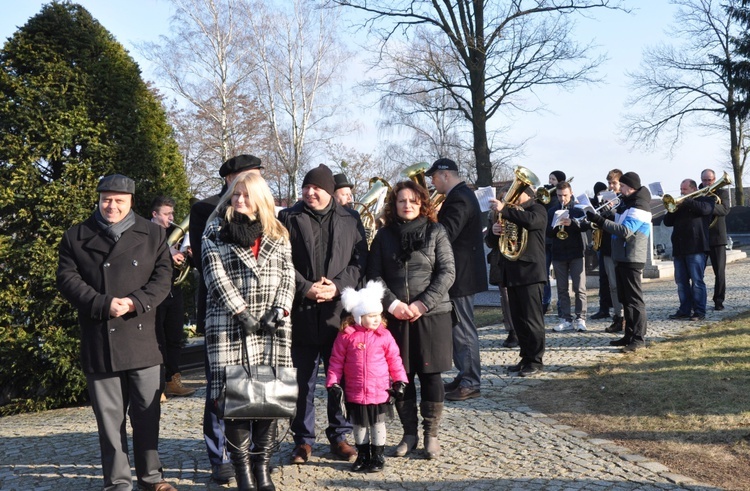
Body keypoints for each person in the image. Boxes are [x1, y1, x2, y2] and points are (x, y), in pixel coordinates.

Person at [57, 174, 177, 491]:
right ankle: (118, 482)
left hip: (142, 339)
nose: (111, 205)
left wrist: (135, 303)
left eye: (118, 201)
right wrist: (103, 303)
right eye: (106, 199)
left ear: (130, 202)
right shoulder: (76, 236)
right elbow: (68, 281)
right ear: (98, 199)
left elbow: (163, 279)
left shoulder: (153, 234)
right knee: (110, 421)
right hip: (100, 338)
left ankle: (152, 478)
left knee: (147, 415)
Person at [201, 171, 295, 491]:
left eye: (246, 194)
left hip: (272, 328)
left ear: (260, 197)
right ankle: (242, 471)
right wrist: (241, 312)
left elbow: (288, 275)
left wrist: (279, 309)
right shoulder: (215, 229)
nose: (239, 200)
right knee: (236, 402)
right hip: (230, 326)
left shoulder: (278, 231)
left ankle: (262, 468)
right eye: (235, 194)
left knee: (268, 400)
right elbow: (214, 275)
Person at [278, 163, 368, 464]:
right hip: (301, 312)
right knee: (301, 382)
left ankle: (339, 435)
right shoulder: (287, 217)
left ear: (329, 191)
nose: (309, 192)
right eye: (306, 187)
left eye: (316, 187)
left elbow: (359, 262)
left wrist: (338, 287)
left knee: (338, 378)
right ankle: (303, 440)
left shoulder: (350, 219)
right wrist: (306, 287)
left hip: (337, 314)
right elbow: (279, 262)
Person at [367, 180, 455, 459]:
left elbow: (447, 272)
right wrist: (392, 304)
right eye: (402, 201)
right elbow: (374, 274)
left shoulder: (436, 231)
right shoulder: (383, 236)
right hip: (395, 317)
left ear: (422, 204)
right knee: (400, 376)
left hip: (432, 314)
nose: (407, 205)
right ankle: (409, 434)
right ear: (394, 205)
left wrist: (422, 304)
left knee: (431, 375)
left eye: (413, 201)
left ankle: (431, 435)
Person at [189, 154, 264, 484]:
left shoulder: (265, 208)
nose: (252, 183)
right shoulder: (206, 209)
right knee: (220, 388)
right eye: (247, 176)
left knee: (257, 385)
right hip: (222, 311)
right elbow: (203, 265)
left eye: (257, 176)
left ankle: (252, 456)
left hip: (261, 316)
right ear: (229, 178)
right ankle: (219, 454)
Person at [326, 280, 409, 473]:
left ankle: (377, 455)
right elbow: (336, 361)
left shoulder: (384, 336)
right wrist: (333, 382)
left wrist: (400, 381)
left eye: (378, 315)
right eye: (370, 316)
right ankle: (363, 454)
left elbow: (394, 360)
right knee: (359, 425)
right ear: (358, 317)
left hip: (379, 390)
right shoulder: (346, 336)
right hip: (355, 391)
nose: (376, 319)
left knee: (377, 424)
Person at [426, 158, 487, 402]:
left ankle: (471, 381)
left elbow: (446, 233)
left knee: (463, 330)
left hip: (462, 274)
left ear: (445, 175)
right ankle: (465, 376)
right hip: (460, 272)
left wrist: (428, 222)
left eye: (433, 177)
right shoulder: (461, 195)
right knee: (458, 328)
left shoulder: (460, 197)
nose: (432, 182)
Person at [586, 171, 652, 353]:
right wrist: (608, 214)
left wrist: (600, 220)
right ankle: (628, 335)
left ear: (630, 187)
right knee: (625, 299)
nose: (618, 189)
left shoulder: (640, 205)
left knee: (634, 300)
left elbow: (625, 231)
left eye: (622, 186)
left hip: (632, 257)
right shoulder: (628, 203)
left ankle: (638, 338)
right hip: (622, 257)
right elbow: (619, 221)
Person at [489, 184, 548, 377]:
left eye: (513, 194)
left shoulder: (537, 208)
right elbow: (490, 243)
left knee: (532, 320)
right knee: (519, 320)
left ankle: (536, 360)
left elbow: (531, 222)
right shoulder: (509, 213)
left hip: (530, 273)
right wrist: (493, 230)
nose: (509, 198)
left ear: (524, 194)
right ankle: (525, 357)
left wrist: (504, 210)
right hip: (511, 272)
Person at [150, 196, 195, 400]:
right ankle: (157, 385)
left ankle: (172, 380)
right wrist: (167, 254)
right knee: (156, 339)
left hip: (174, 290)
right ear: (155, 214)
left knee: (174, 338)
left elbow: (184, 263)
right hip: (154, 292)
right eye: (167, 214)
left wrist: (189, 255)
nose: (172, 218)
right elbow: (143, 259)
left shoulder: (175, 235)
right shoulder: (145, 233)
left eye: (173, 214)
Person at [663, 179, 714, 321]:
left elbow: (706, 210)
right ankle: (684, 310)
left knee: (697, 281)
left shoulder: (706, 200)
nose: (681, 192)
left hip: (696, 247)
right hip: (680, 248)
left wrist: (686, 201)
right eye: (681, 189)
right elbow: (667, 222)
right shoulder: (679, 205)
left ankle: (699, 311)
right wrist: (673, 208)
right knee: (681, 281)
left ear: (693, 189)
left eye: (684, 189)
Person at [548, 181, 589, 332]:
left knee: (579, 288)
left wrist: (571, 223)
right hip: (558, 253)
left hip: (576, 252)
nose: (562, 199)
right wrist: (555, 225)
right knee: (562, 289)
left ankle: (580, 318)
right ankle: (565, 318)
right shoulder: (552, 211)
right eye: (559, 196)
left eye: (565, 195)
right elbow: (547, 233)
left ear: (570, 193)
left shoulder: (578, 209)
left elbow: (586, 226)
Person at [600, 170, 626, 334]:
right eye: (609, 183)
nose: (611, 186)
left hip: (622, 248)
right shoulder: (605, 199)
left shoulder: (625, 200)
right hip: (607, 247)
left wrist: (613, 210)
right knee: (613, 286)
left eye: (614, 183)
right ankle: (617, 317)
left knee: (622, 285)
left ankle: (626, 317)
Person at [700, 169, 730, 311]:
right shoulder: (698, 192)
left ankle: (718, 300)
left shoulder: (722, 193)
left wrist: (707, 206)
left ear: (714, 179)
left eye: (709, 180)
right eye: (704, 180)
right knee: (697, 272)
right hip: (701, 237)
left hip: (718, 237)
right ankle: (698, 302)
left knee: (720, 272)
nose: (707, 183)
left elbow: (724, 210)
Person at [542, 170, 566, 314]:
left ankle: (561, 304)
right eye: (550, 179)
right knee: (544, 272)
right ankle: (546, 302)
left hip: (557, 241)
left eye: (554, 179)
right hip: (545, 240)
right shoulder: (544, 195)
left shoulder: (560, 199)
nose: (550, 182)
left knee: (559, 273)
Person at [590, 181, 613, 320]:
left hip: (613, 244)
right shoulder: (596, 203)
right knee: (603, 279)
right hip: (602, 245)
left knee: (614, 280)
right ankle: (603, 308)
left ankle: (616, 308)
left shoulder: (614, 202)